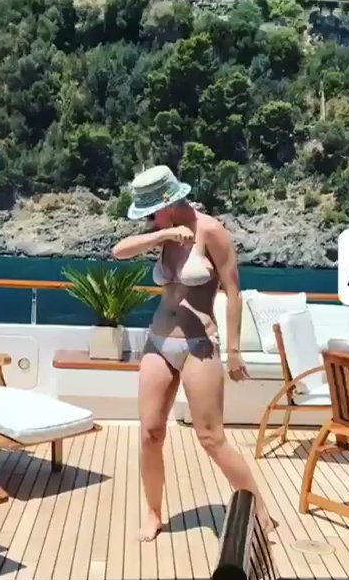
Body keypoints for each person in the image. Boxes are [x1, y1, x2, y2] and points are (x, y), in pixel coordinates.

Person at [112, 165, 276, 542]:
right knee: (150, 433)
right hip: (158, 342)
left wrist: (234, 350)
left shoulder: (211, 231)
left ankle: (260, 512)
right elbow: (118, 251)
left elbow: (233, 294)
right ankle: (154, 514)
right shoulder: (164, 233)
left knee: (211, 438)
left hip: (199, 345)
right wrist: (163, 234)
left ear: (168, 203)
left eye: (152, 214)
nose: (150, 221)